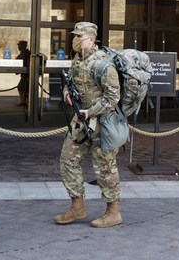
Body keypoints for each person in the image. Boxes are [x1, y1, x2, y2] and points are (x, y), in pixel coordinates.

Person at [53, 22, 123, 228]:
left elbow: (113, 97)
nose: (75, 40)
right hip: (80, 120)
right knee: (68, 159)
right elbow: (70, 82)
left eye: (79, 37)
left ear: (91, 39)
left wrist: (91, 111)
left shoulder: (103, 64)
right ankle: (77, 207)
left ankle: (113, 212)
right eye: (74, 36)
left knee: (105, 166)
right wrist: (67, 93)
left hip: (102, 122)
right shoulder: (77, 60)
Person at [15, 40, 30, 109]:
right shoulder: (25, 53)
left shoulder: (25, 53)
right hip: (25, 74)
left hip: (26, 74)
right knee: (24, 88)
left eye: (19, 45)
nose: (18, 47)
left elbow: (21, 62)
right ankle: (24, 101)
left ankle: (24, 102)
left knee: (21, 87)